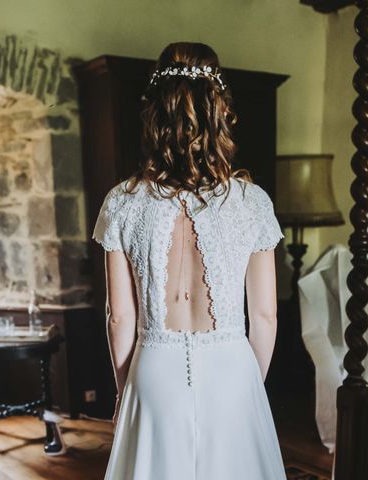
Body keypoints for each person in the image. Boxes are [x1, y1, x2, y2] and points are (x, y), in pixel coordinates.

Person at [93, 41, 287, 480]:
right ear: (219, 110)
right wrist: (250, 386)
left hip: (154, 367)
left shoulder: (122, 202)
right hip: (233, 368)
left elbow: (120, 317)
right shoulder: (252, 203)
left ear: (155, 113)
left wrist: (126, 391)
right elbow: (266, 315)